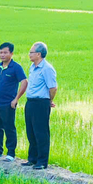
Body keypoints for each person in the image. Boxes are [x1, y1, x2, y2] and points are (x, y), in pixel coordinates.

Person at [0, 43, 28, 162]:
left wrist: (16, 98)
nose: (2, 55)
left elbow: (24, 82)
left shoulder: (16, 67)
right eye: (1, 52)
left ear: (11, 54)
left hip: (8, 104)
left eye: (5, 52)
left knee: (9, 128)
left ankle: (11, 153)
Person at [22, 42, 57, 170]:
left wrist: (49, 100)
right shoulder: (32, 67)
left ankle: (42, 161)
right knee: (31, 131)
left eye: (31, 52)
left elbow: (53, 88)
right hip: (30, 102)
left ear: (38, 54)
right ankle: (32, 159)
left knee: (41, 132)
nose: (29, 54)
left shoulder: (47, 68)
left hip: (41, 102)